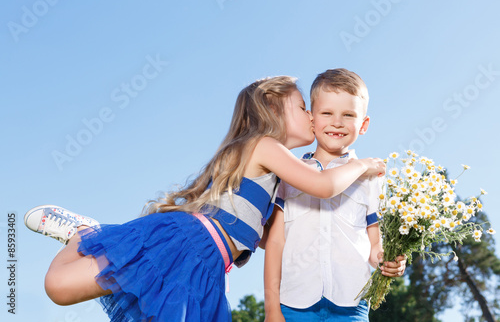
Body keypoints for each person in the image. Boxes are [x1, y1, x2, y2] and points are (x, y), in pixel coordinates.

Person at [24, 76, 386, 322]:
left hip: (211, 263)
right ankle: (87, 232)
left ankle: (92, 235)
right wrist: (363, 165)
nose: (311, 114)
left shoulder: (277, 178)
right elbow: (323, 185)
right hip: (189, 241)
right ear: (274, 112)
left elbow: (262, 235)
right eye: (303, 106)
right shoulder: (265, 146)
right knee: (59, 288)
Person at [264, 69, 406, 322]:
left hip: (351, 307)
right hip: (292, 305)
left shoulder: (372, 179)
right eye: (327, 113)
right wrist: (272, 309)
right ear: (311, 118)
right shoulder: (289, 174)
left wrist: (389, 260)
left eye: (348, 115)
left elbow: (375, 246)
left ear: (363, 125)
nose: (337, 122)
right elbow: (275, 244)